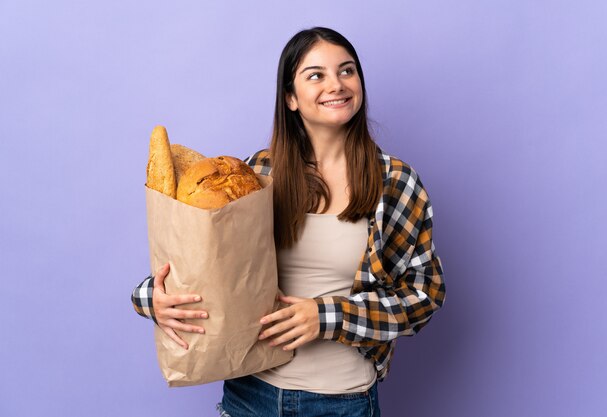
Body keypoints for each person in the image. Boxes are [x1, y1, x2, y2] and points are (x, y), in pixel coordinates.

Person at [132, 26, 446, 417]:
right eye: (316, 75)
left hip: (342, 401)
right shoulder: (256, 173)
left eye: (347, 71)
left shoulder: (395, 183)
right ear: (291, 98)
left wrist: (327, 317)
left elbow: (424, 295)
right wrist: (152, 301)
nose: (337, 84)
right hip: (251, 394)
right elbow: (198, 269)